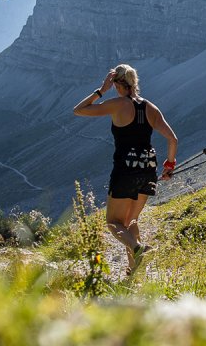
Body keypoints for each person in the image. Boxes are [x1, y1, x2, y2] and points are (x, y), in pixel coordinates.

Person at [73, 64, 178, 274]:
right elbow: (172, 139)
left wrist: (101, 90)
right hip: (148, 168)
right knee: (131, 220)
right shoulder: (150, 107)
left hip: (125, 170)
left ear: (116, 83)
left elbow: (79, 110)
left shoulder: (117, 105)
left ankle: (139, 248)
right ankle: (134, 267)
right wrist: (169, 166)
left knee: (113, 222)